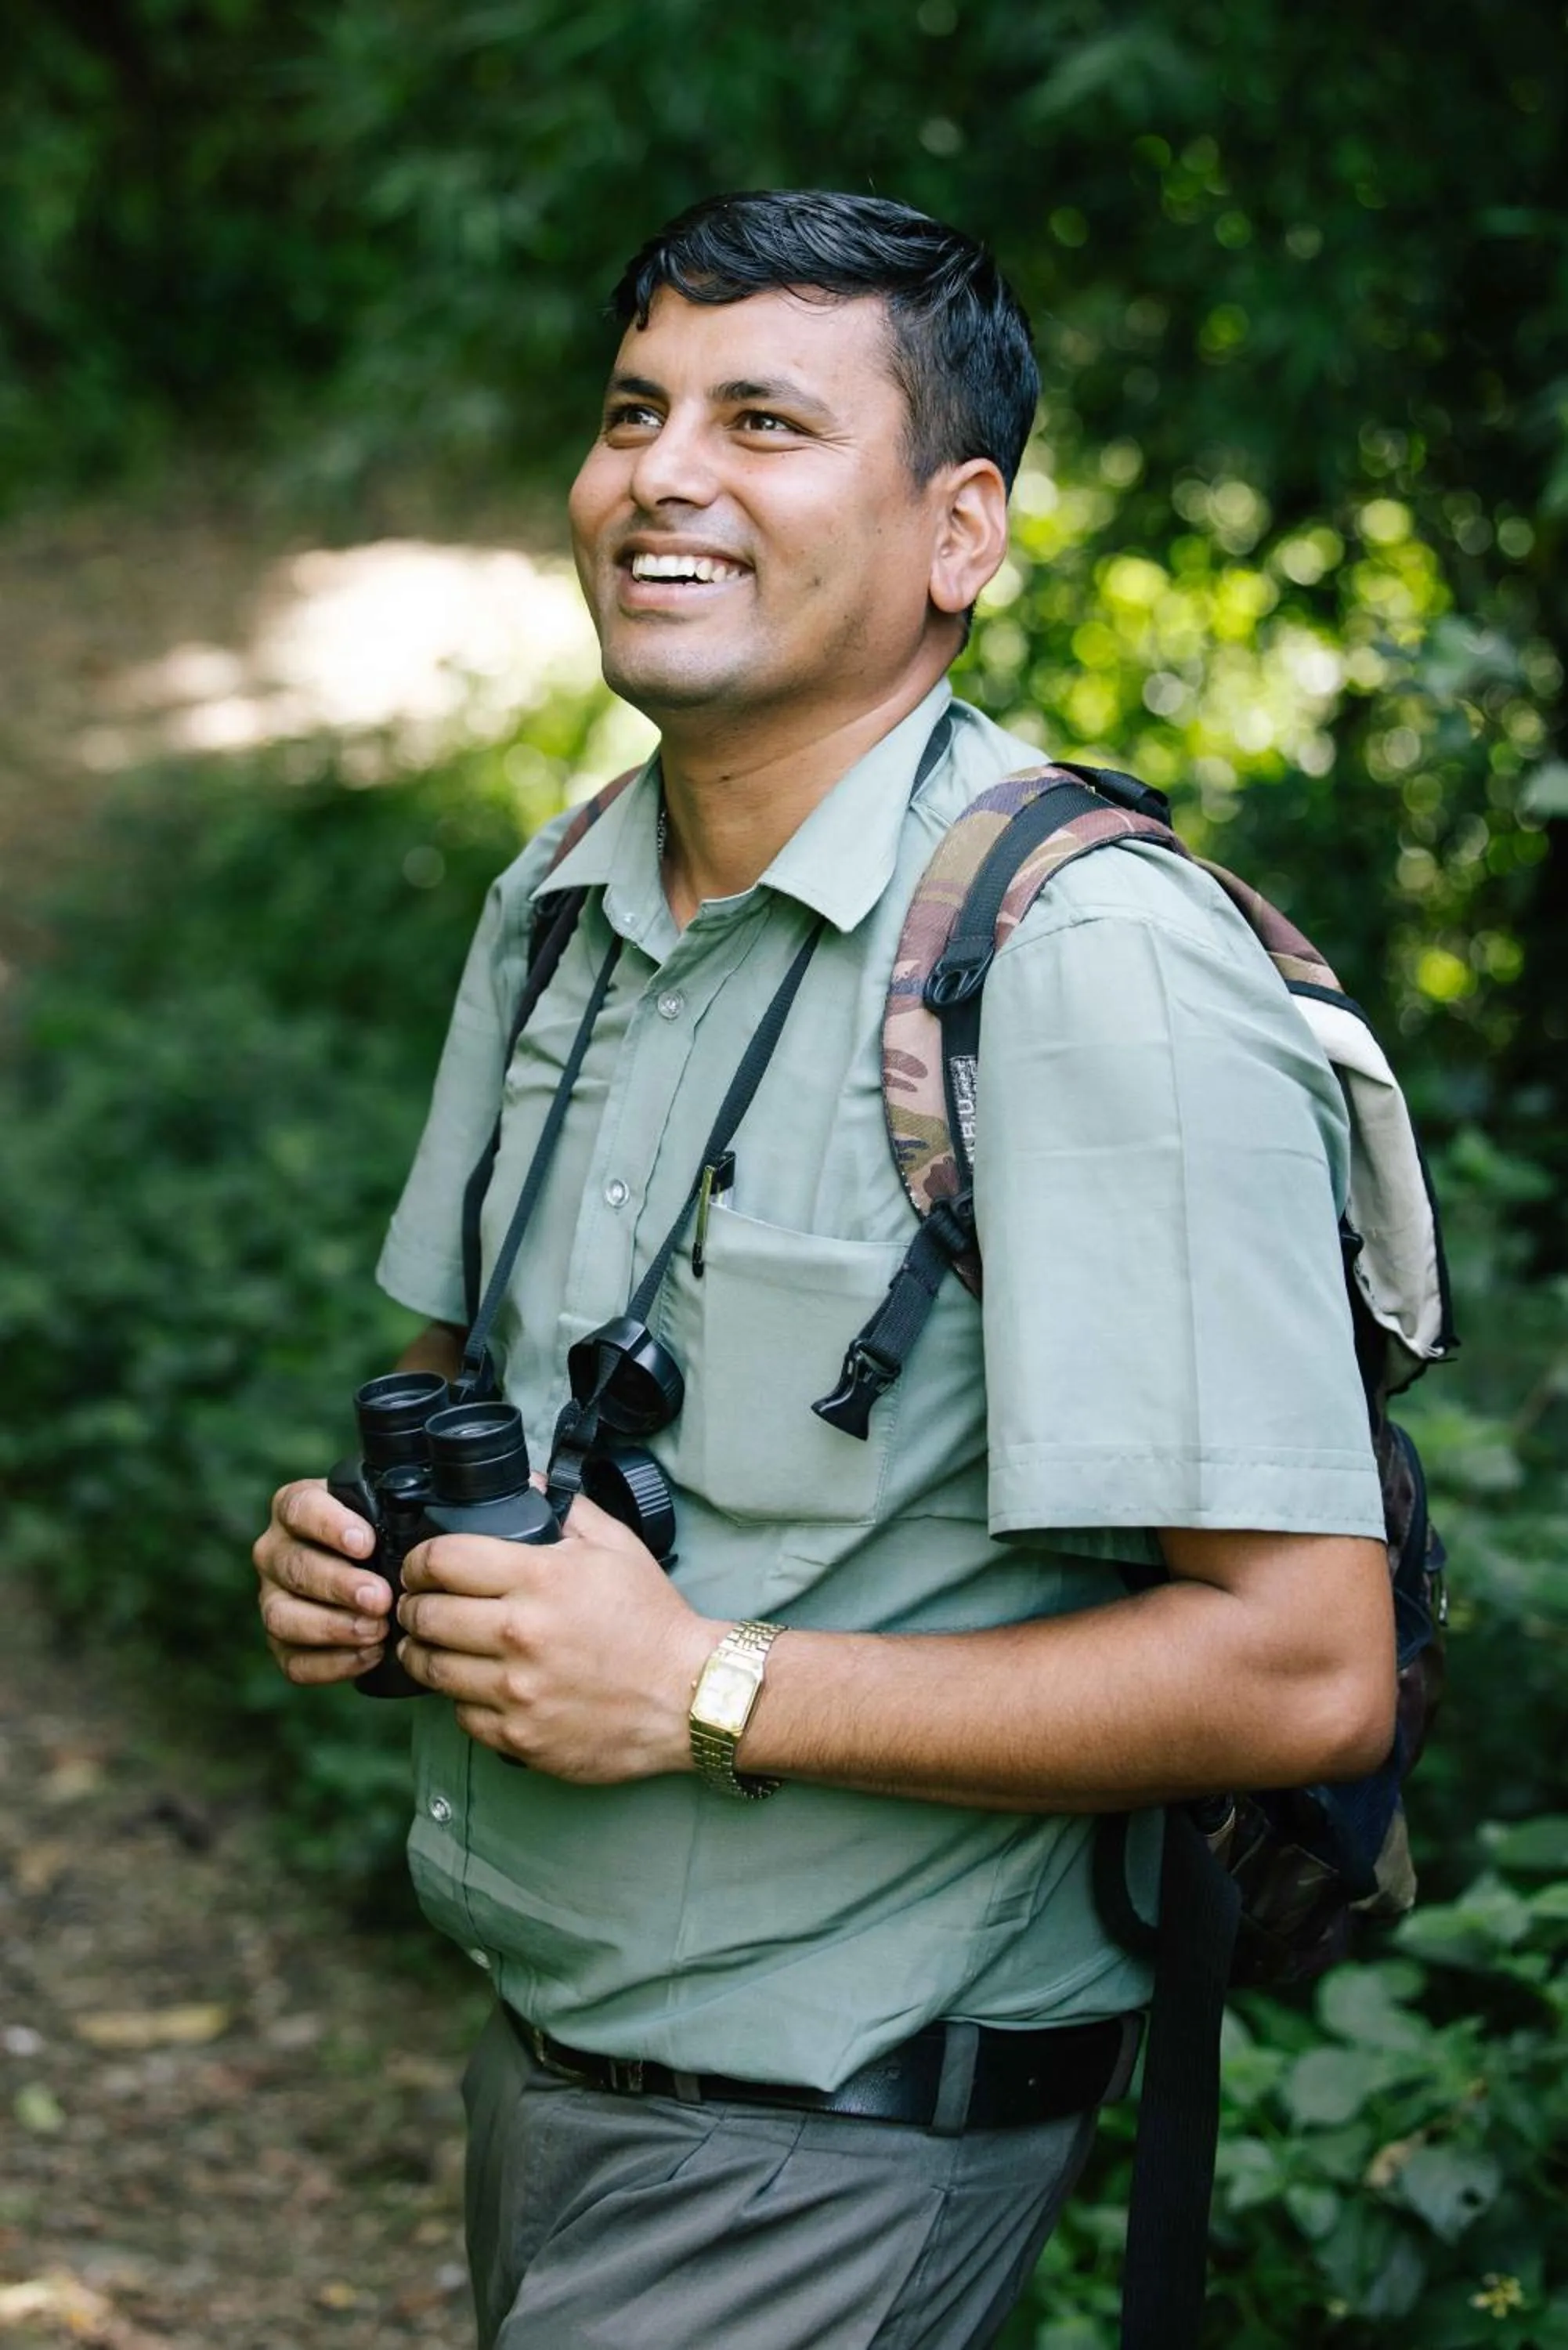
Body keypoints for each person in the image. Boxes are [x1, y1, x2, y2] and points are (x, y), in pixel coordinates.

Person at [252, 190, 1395, 2350]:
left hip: (838, 2146)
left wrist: (696, 1686)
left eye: (765, 421)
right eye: (631, 411)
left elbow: (1302, 1669)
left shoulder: (1087, 969)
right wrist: (374, 1575)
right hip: (555, 2067)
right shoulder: (560, 909)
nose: (662, 474)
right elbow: (473, 1401)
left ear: (961, 532)